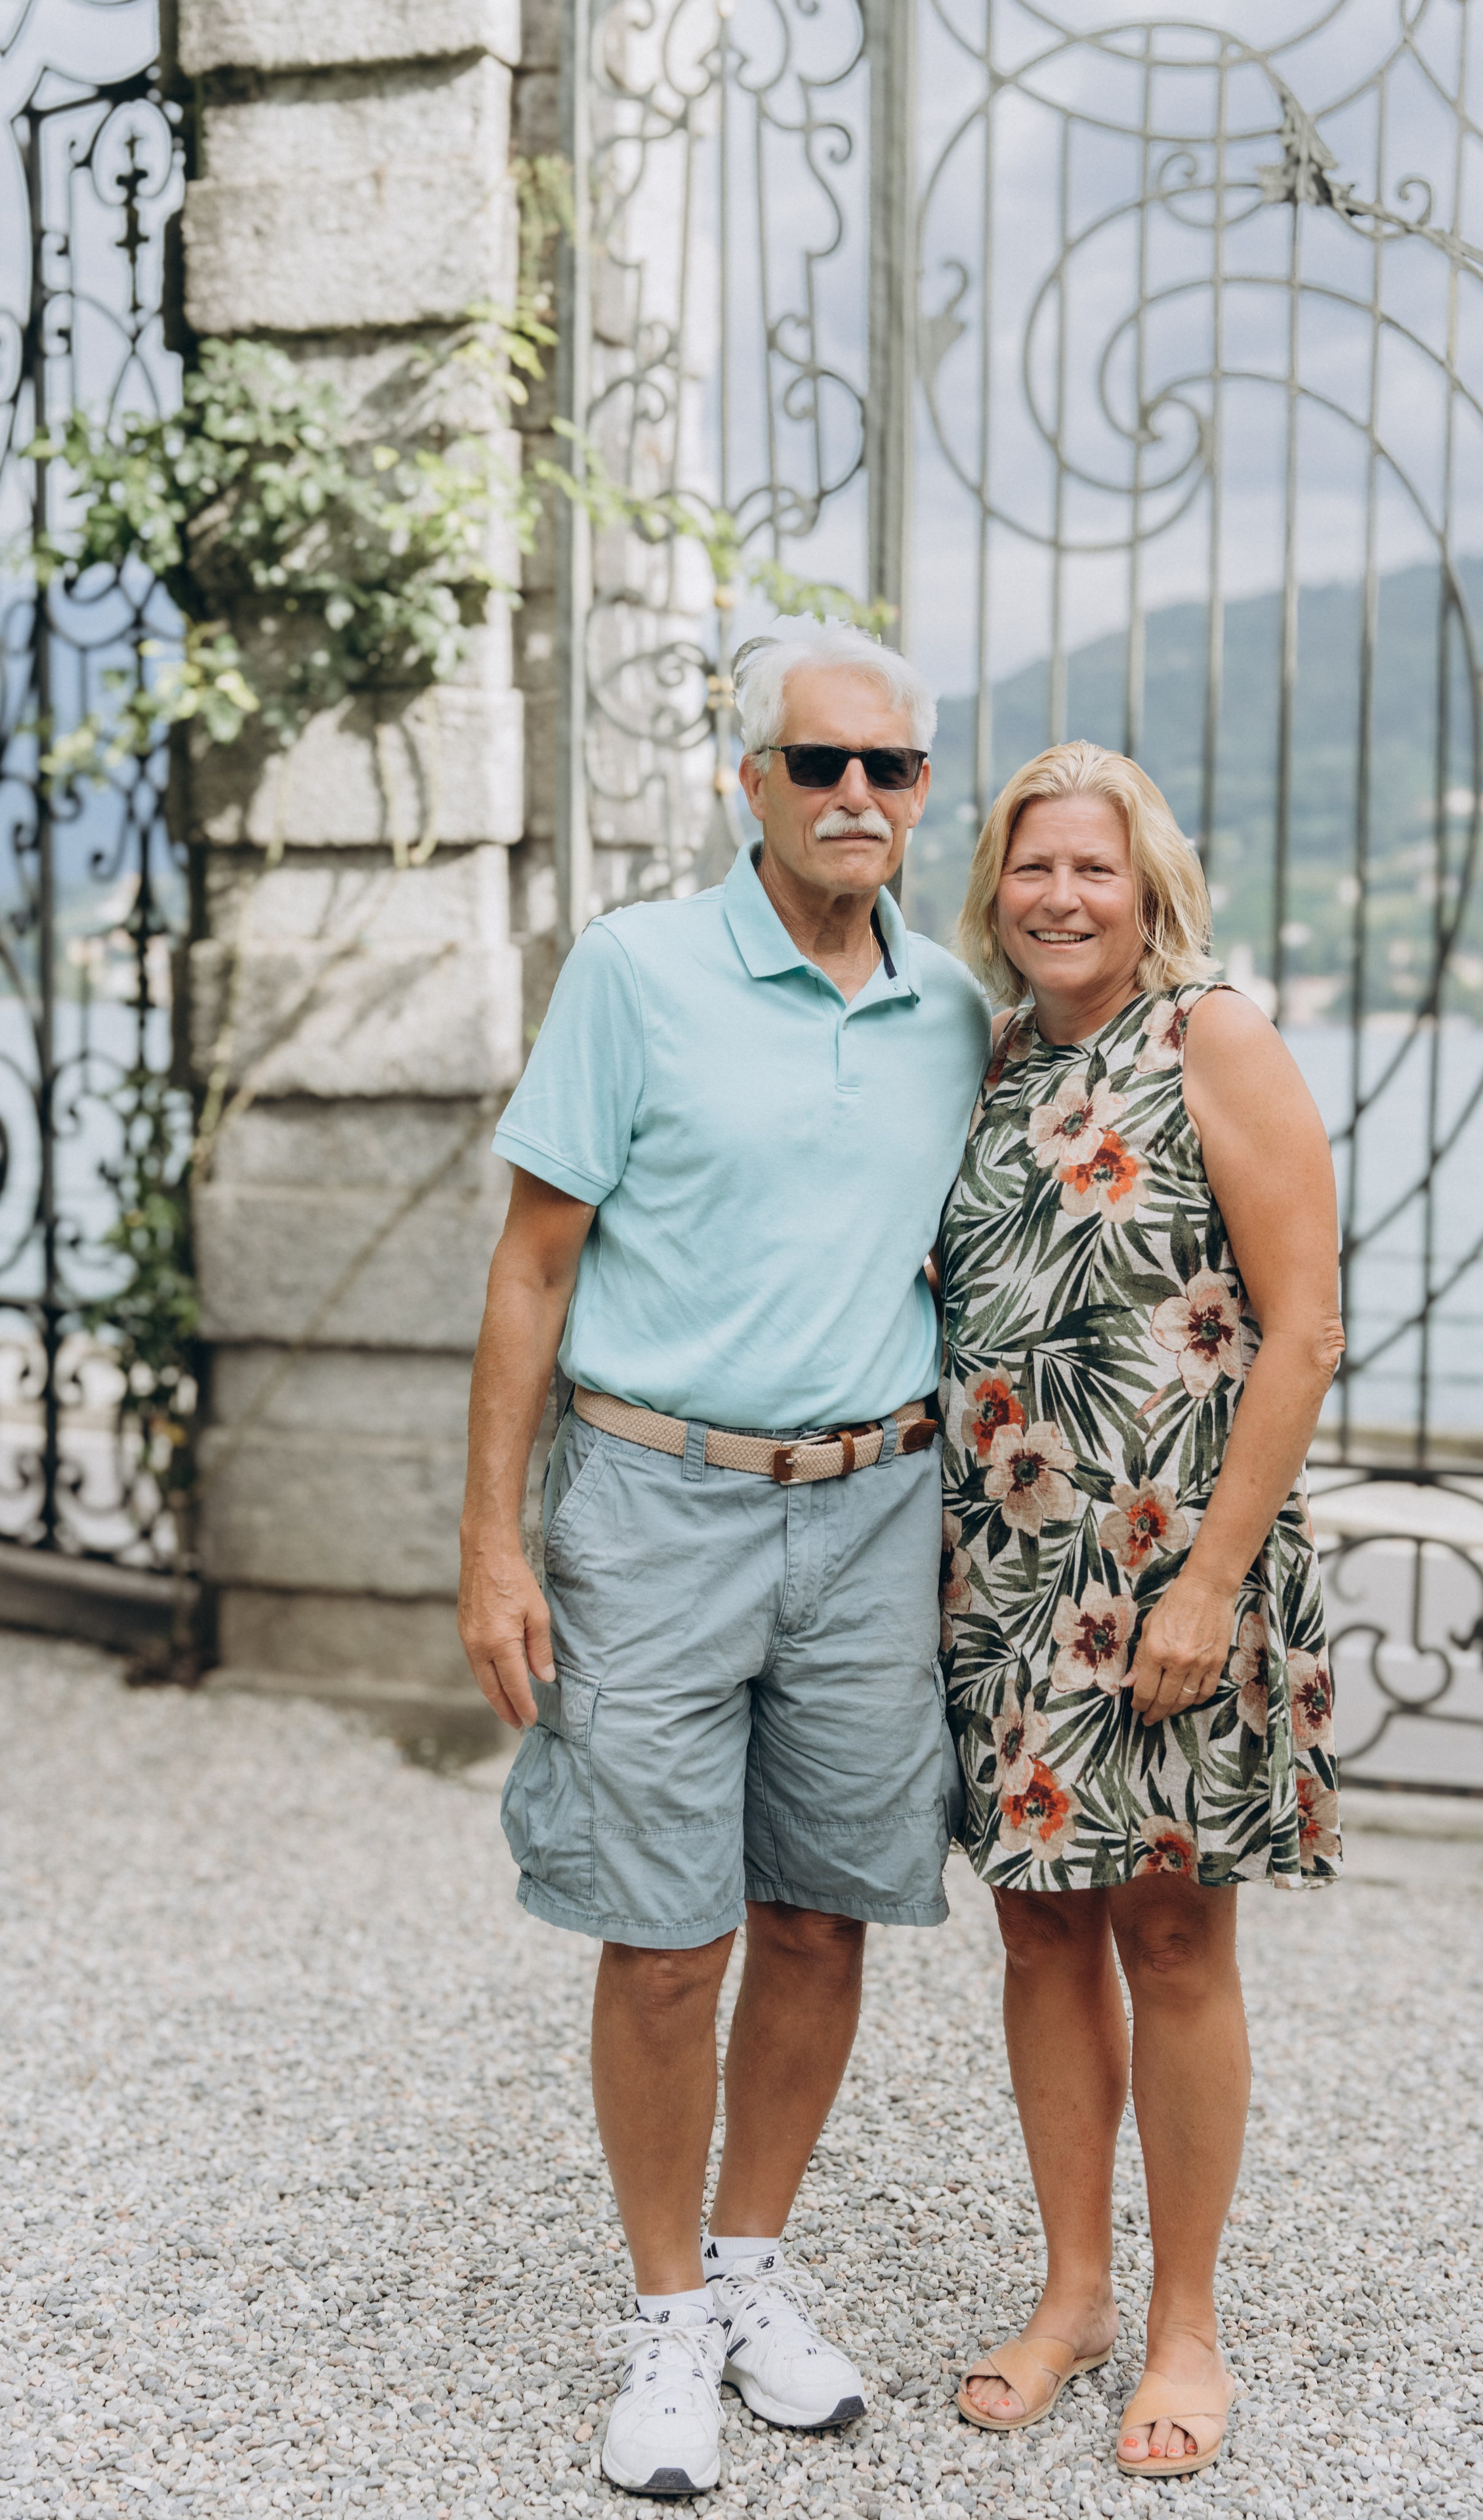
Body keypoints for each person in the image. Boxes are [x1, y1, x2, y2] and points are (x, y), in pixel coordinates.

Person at [456, 617, 991, 2498]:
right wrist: (489, 1553)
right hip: (653, 1510)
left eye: (893, 769)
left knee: (826, 1914)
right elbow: (533, 1266)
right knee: (666, 1941)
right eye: (821, 764)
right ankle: (666, 2312)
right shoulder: (638, 971)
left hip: (873, 1514)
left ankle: (755, 2267)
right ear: (748, 781)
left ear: (925, 794)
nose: (859, 797)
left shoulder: (954, 1011)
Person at [938, 741, 1343, 2481]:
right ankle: (1074, 2290)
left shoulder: (1213, 1039)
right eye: (1036, 870)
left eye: (1096, 871)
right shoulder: (995, 1059)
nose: (1063, 898)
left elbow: (1305, 1323)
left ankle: (1185, 2323)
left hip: (1180, 1574)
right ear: (997, 888)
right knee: (1040, 1929)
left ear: (1150, 885)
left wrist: (1211, 1584)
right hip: (1018, 1579)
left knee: (1172, 1934)